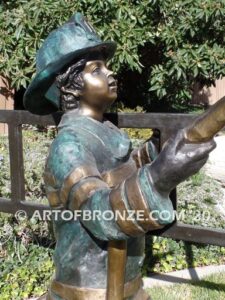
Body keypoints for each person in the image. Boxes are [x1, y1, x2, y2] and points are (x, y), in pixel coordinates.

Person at [23, 13, 215, 300]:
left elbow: (121, 173)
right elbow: (99, 213)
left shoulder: (104, 130)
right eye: (96, 69)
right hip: (88, 293)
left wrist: (155, 152)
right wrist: (160, 176)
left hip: (127, 288)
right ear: (69, 86)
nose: (110, 73)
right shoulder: (69, 145)